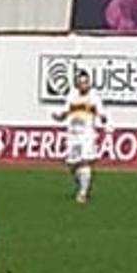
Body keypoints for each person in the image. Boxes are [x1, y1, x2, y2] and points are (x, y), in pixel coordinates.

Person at [51, 70, 109, 204]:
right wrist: (57, 117)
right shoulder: (72, 96)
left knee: (85, 162)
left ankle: (83, 193)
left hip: (86, 135)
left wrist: (104, 119)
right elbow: (64, 113)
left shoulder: (94, 97)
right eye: (81, 82)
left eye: (86, 82)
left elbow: (102, 113)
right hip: (72, 135)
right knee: (72, 165)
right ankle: (83, 184)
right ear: (77, 83)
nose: (83, 85)